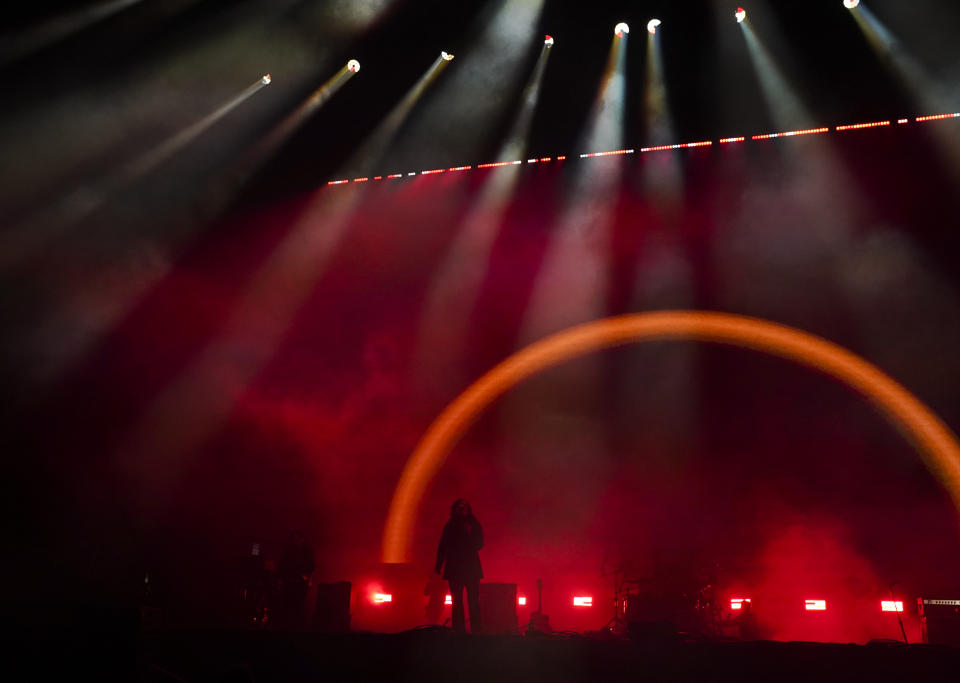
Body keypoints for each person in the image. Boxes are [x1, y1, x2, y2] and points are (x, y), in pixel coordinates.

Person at [435, 499, 484, 634]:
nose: (461, 510)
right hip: (456, 569)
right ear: (454, 509)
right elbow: (443, 546)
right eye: (459, 507)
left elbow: (479, 544)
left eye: (464, 507)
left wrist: (470, 533)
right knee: (457, 601)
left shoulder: (473, 524)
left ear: (468, 509)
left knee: (473, 600)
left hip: (470, 568)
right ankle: (459, 630)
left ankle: (476, 630)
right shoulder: (450, 525)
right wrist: (438, 566)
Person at [277, 530, 314, 629]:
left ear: (302, 539)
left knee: (298, 606)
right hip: (291, 582)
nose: (295, 541)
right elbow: (282, 565)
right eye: (293, 539)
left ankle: (297, 627)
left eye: (297, 538)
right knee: (289, 606)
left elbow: (311, 566)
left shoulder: (306, 551)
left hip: (299, 582)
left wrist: (302, 574)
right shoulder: (289, 551)